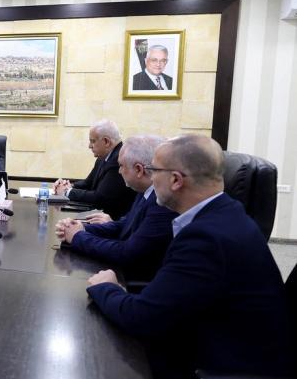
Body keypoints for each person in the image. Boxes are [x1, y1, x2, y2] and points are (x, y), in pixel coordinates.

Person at [86, 134, 295, 378]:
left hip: (223, 366)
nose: (150, 178)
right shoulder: (225, 213)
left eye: (154, 171)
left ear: (175, 180)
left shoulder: (205, 238)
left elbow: (141, 318)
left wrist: (107, 287)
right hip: (214, 342)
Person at [55, 135, 176, 282]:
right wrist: (81, 228)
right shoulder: (145, 191)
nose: (119, 171)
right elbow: (124, 225)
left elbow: (127, 253)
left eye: (121, 166)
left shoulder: (162, 203)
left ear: (139, 170)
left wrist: (77, 236)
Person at [53, 119, 136, 219]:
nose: (89, 146)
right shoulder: (104, 157)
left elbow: (99, 198)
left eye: (93, 141)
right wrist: (68, 185)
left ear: (106, 141)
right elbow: (88, 183)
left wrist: (67, 191)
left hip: (114, 221)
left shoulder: (118, 159)